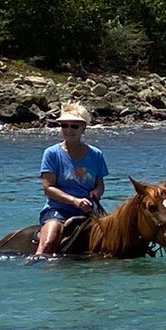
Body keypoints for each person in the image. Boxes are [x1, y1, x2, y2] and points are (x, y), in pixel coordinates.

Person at [34, 102, 109, 257]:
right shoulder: (52, 153)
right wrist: (75, 201)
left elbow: (100, 185)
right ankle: (36, 263)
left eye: (74, 126)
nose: (69, 130)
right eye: (64, 126)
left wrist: (96, 193)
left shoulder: (96, 155)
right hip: (58, 209)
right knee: (50, 241)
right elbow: (48, 188)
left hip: (89, 210)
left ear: (83, 128)